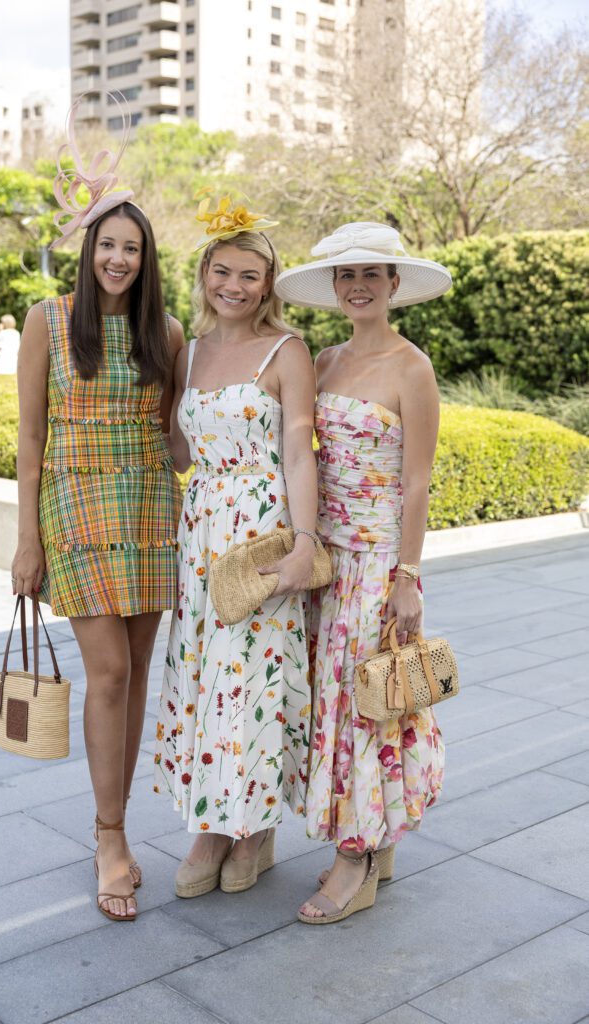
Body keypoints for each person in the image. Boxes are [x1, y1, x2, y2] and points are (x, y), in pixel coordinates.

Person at [11, 98, 183, 923]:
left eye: (132, 249)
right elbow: (29, 437)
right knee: (106, 672)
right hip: (75, 511)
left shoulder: (169, 334)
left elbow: (178, 434)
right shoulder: (48, 324)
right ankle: (109, 834)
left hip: (152, 506)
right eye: (108, 245)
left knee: (138, 671)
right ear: (89, 252)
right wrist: (25, 544)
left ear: (147, 262)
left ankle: (119, 824)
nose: (119, 258)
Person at [275, 222, 450, 924]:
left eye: (370, 275)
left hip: (378, 563)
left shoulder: (413, 368)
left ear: (393, 284)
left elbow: (416, 484)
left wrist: (408, 576)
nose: (356, 286)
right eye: (345, 277)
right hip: (326, 560)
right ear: (333, 288)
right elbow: (301, 455)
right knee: (333, 702)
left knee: (365, 706)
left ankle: (355, 859)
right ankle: (374, 839)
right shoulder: (320, 360)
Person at [154, 193, 318, 897]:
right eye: (222, 271)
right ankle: (209, 823)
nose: (233, 286)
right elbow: (178, 448)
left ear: (268, 283)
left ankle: (251, 827)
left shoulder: (287, 350)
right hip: (200, 531)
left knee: (252, 679)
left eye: (249, 275)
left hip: (261, 531)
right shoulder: (185, 354)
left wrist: (304, 542)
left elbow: (299, 451)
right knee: (202, 678)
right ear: (203, 273)